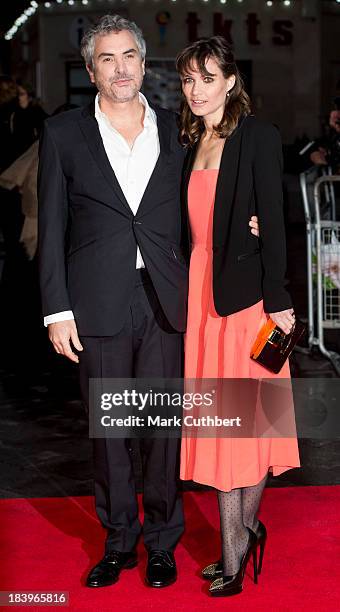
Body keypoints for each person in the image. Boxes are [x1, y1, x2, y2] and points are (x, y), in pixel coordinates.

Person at [38, 15, 259, 590]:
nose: (120, 68)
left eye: (129, 55)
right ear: (91, 71)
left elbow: (210, 201)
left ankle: (163, 541)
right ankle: (119, 543)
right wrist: (55, 309)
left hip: (168, 299)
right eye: (107, 59)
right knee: (111, 431)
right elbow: (52, 225)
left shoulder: (178, 130)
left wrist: (250, 226)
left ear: (144, 62)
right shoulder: (63, 134)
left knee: (163, 431)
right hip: (97, 305)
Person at [176, 36, 300, 597]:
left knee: (246, 427)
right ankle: (246, 534)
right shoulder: (189, 144)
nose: (197, 89)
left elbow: (275, 223)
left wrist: (280, 301)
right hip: (202, 300)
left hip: (248, 305)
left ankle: (234, 555)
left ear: (231, 81)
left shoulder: (257, 137)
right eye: (187, 79)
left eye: (207, 77)